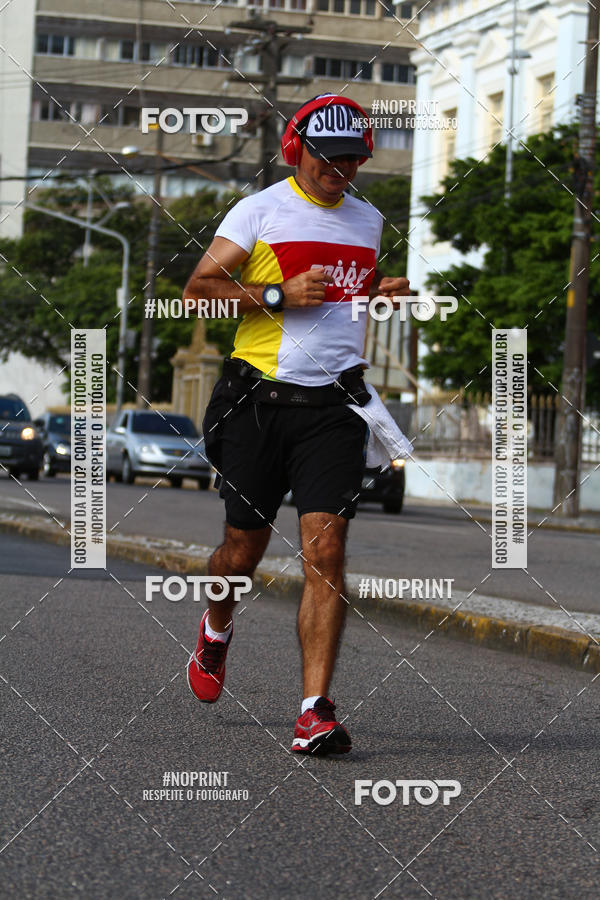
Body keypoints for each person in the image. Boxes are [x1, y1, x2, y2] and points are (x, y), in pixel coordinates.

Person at [183, 94, 410, 755]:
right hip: (257, 404)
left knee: (327, 551)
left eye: (352, 160)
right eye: (328, 158)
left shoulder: (369, 221)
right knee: (241, 552)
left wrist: (374, 292)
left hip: (335, 409)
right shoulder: (260, 210)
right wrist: (279, 294)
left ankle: (314, 711)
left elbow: (342, 300)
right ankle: (216, 628)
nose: (340, 170)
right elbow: (198, 288)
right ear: (296, 150)